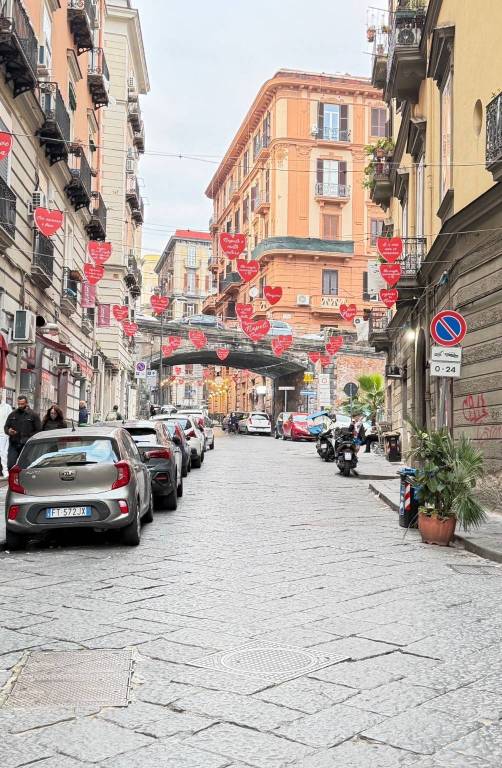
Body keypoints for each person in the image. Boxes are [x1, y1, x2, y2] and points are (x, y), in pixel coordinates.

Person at [4, 396, 42, 470]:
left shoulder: (33, 415)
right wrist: (9, 431)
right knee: (10, 465)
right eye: (19, 404)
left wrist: (29, 437)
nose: (20, 406)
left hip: (27, 445)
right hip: (14, 444)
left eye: (22, 404)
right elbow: (6, 427)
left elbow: (39, 430)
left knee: (25, 465)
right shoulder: (13, 414)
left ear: (26, 403)